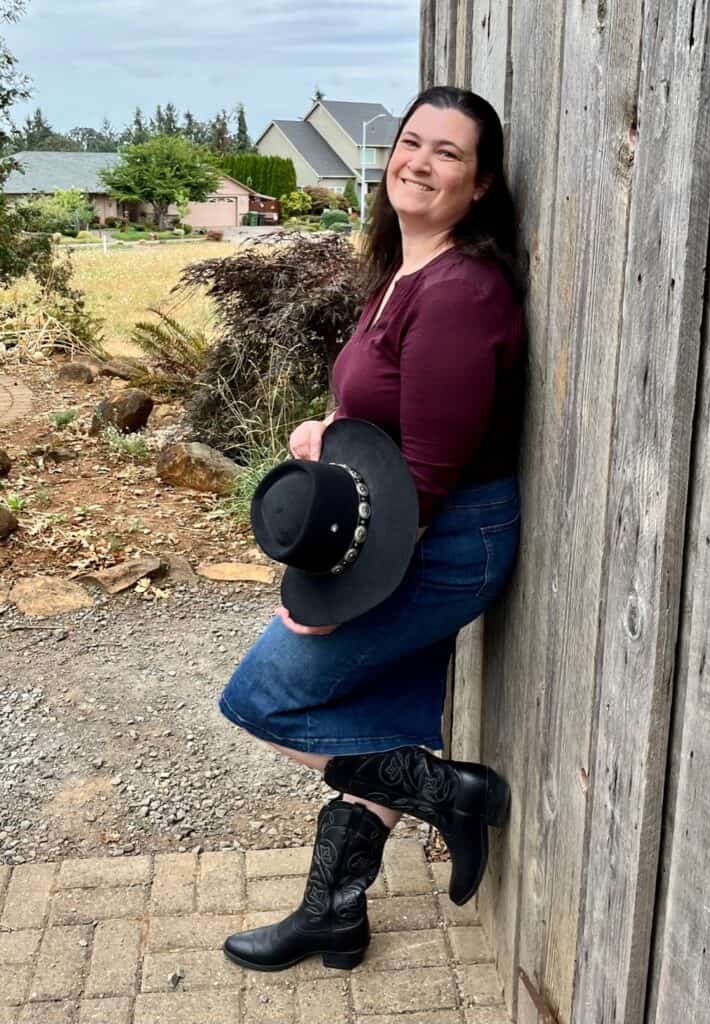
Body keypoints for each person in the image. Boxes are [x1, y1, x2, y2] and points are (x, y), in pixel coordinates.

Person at [220, 85, 527, 973]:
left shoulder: (462, 291)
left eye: (448, 154)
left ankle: (451, 793)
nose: (420, 162)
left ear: (481, 185)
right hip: (417, 525)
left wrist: (332, 602)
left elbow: (429, 476)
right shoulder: (405, 268)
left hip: (444, 539)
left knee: (265, 696)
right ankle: (336, 912)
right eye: (412, 142)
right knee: (378, 713)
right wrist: (328, 432)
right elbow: (384, 407)